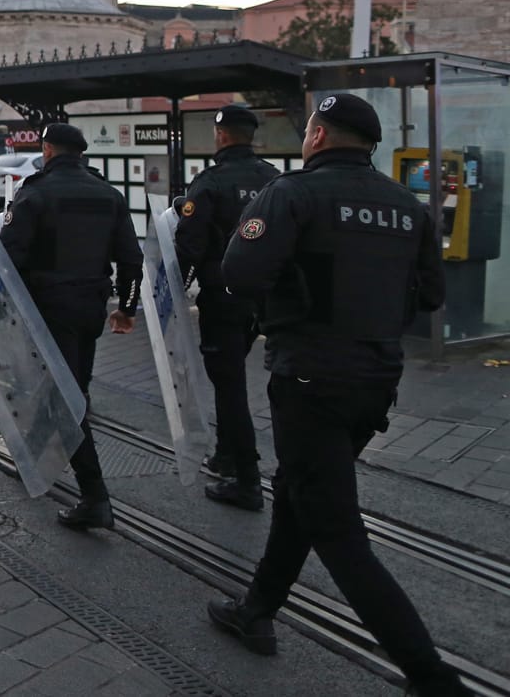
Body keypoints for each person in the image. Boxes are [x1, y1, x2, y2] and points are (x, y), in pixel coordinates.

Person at [206, 94, 464, 695]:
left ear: (318, 137)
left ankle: (430, 675)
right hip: (375, 379)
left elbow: (239, 273)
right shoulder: (407, 205)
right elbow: (430, 295)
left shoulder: (293, 194)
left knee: (337, 530)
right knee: (300, 492)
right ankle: (256, 611)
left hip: (309, 376)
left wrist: (286, 308)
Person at [0, 122, 142, 532]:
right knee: (72, 385)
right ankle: (36, 459)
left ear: (47, 149)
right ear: (80, 153)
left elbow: (8, 257)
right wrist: (127, 309)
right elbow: (132, 260)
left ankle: (95, 496)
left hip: (47, 307)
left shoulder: (36, 192)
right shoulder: (108, 194)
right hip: (91, 306)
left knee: (66, 397)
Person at [174, 104, 280, 510]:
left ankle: (247, 479)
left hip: (224, 297)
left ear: (220, 135)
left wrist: (175, 294)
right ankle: (225, 453)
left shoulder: (210, 182)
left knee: (229, 381)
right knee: (232, 377)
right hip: (265, 300)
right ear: (251, 136)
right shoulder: (275, 180)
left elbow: (189, 245)